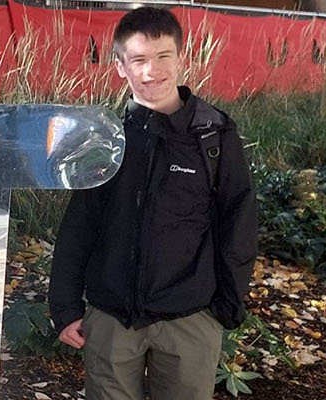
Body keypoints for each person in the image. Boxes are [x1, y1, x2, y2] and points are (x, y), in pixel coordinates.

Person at [49, 7, 256, 400]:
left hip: (190, 318)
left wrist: (226, 307)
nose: (151, 71)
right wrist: (65, 306)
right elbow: (80, 225)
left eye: (163, 56)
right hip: (111, 318)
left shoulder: (214, 135)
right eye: (139, 59)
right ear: (120, 67)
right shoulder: (106, 138)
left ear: (180, 58)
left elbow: (239, 223)